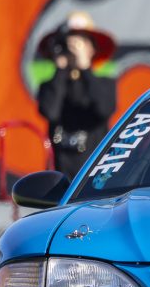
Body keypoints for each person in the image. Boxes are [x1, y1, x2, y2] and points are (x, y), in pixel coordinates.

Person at [36, 11, 117, 181]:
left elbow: (104, 109)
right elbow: (50, 111)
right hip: (60, 179)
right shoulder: (51, 86)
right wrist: (60, 68)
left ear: (92, 49)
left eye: (79, 42)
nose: (72, 48)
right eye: (67, 43)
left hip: (95, 179)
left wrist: (84, 67)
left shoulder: (104, 84)